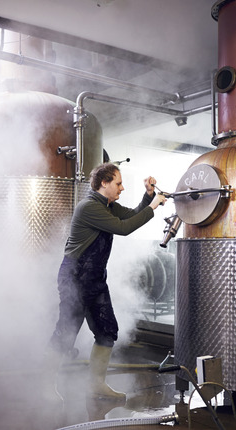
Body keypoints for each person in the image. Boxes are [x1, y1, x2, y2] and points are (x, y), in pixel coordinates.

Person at [45, 162, 167, 402]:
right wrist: (154, 205)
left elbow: (132, 215)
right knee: (65, 333)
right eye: (118, 183)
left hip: (95, 279)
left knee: (107, 331)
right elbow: (124, 228)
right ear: (104, 183)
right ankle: (45, 386)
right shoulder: (89, 207)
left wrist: (148, 196)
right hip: (75, 278)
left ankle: (96, 385)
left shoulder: (108, 206)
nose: (122, 188)